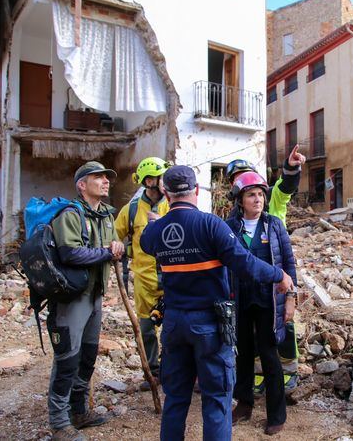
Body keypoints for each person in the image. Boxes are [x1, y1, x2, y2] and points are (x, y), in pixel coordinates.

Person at [140, 165, 294, 441]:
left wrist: (159, 224)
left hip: (174, 323)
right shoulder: (212, 225)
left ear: (165, 193)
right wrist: (278, 275)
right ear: (196, 191)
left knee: (175, 399)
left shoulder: (155, 231)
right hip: (210, 323)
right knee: (217, 400)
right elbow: (245, 264)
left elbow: (146, 243)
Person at [47, 161, 124, 441]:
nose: (105, 181)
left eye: (107, 178)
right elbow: (70, 254)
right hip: (71, 298)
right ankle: (59, 423)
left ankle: (79, 412)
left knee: (88, 356)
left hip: (95, 296)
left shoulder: (106, 215)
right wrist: (107, 252)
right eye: (98, 177)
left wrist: (118, 247)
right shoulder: (70, 214)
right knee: (67, 358)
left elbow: (116, 248)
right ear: (82, 185)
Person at [225, 144, 305, 394]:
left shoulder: (270, 202)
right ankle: (260, 376)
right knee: (253, 332)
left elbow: (286, 186)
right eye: (237, 180)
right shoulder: (233, 217)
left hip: (277, 276)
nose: (253, 194)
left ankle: (290, 371)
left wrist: (291, 167)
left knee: (284, 323)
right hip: (248, 285)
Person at [226, 172, 297, 436]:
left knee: (269, 356)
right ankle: (244, 405)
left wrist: (291, 298)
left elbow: (289, 264)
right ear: (240, 200)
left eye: (260, 194)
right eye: (251, 195)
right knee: (243, 354)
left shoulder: (274, 225)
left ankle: (276, 414)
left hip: (270, 301)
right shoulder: (230, 227)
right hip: (240, 299)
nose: (258, 199)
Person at [114, 157, 170, 389]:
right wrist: (120, 248)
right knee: (147, 329)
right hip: (144, 282)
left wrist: (163, 223)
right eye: (161, 177)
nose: (165, 182)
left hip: (171, 279)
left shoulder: (173, 204)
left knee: (172, 330)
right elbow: (115, 235)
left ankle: (171, 371)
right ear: (149, 181)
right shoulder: (132, 210)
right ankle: (153, 373)